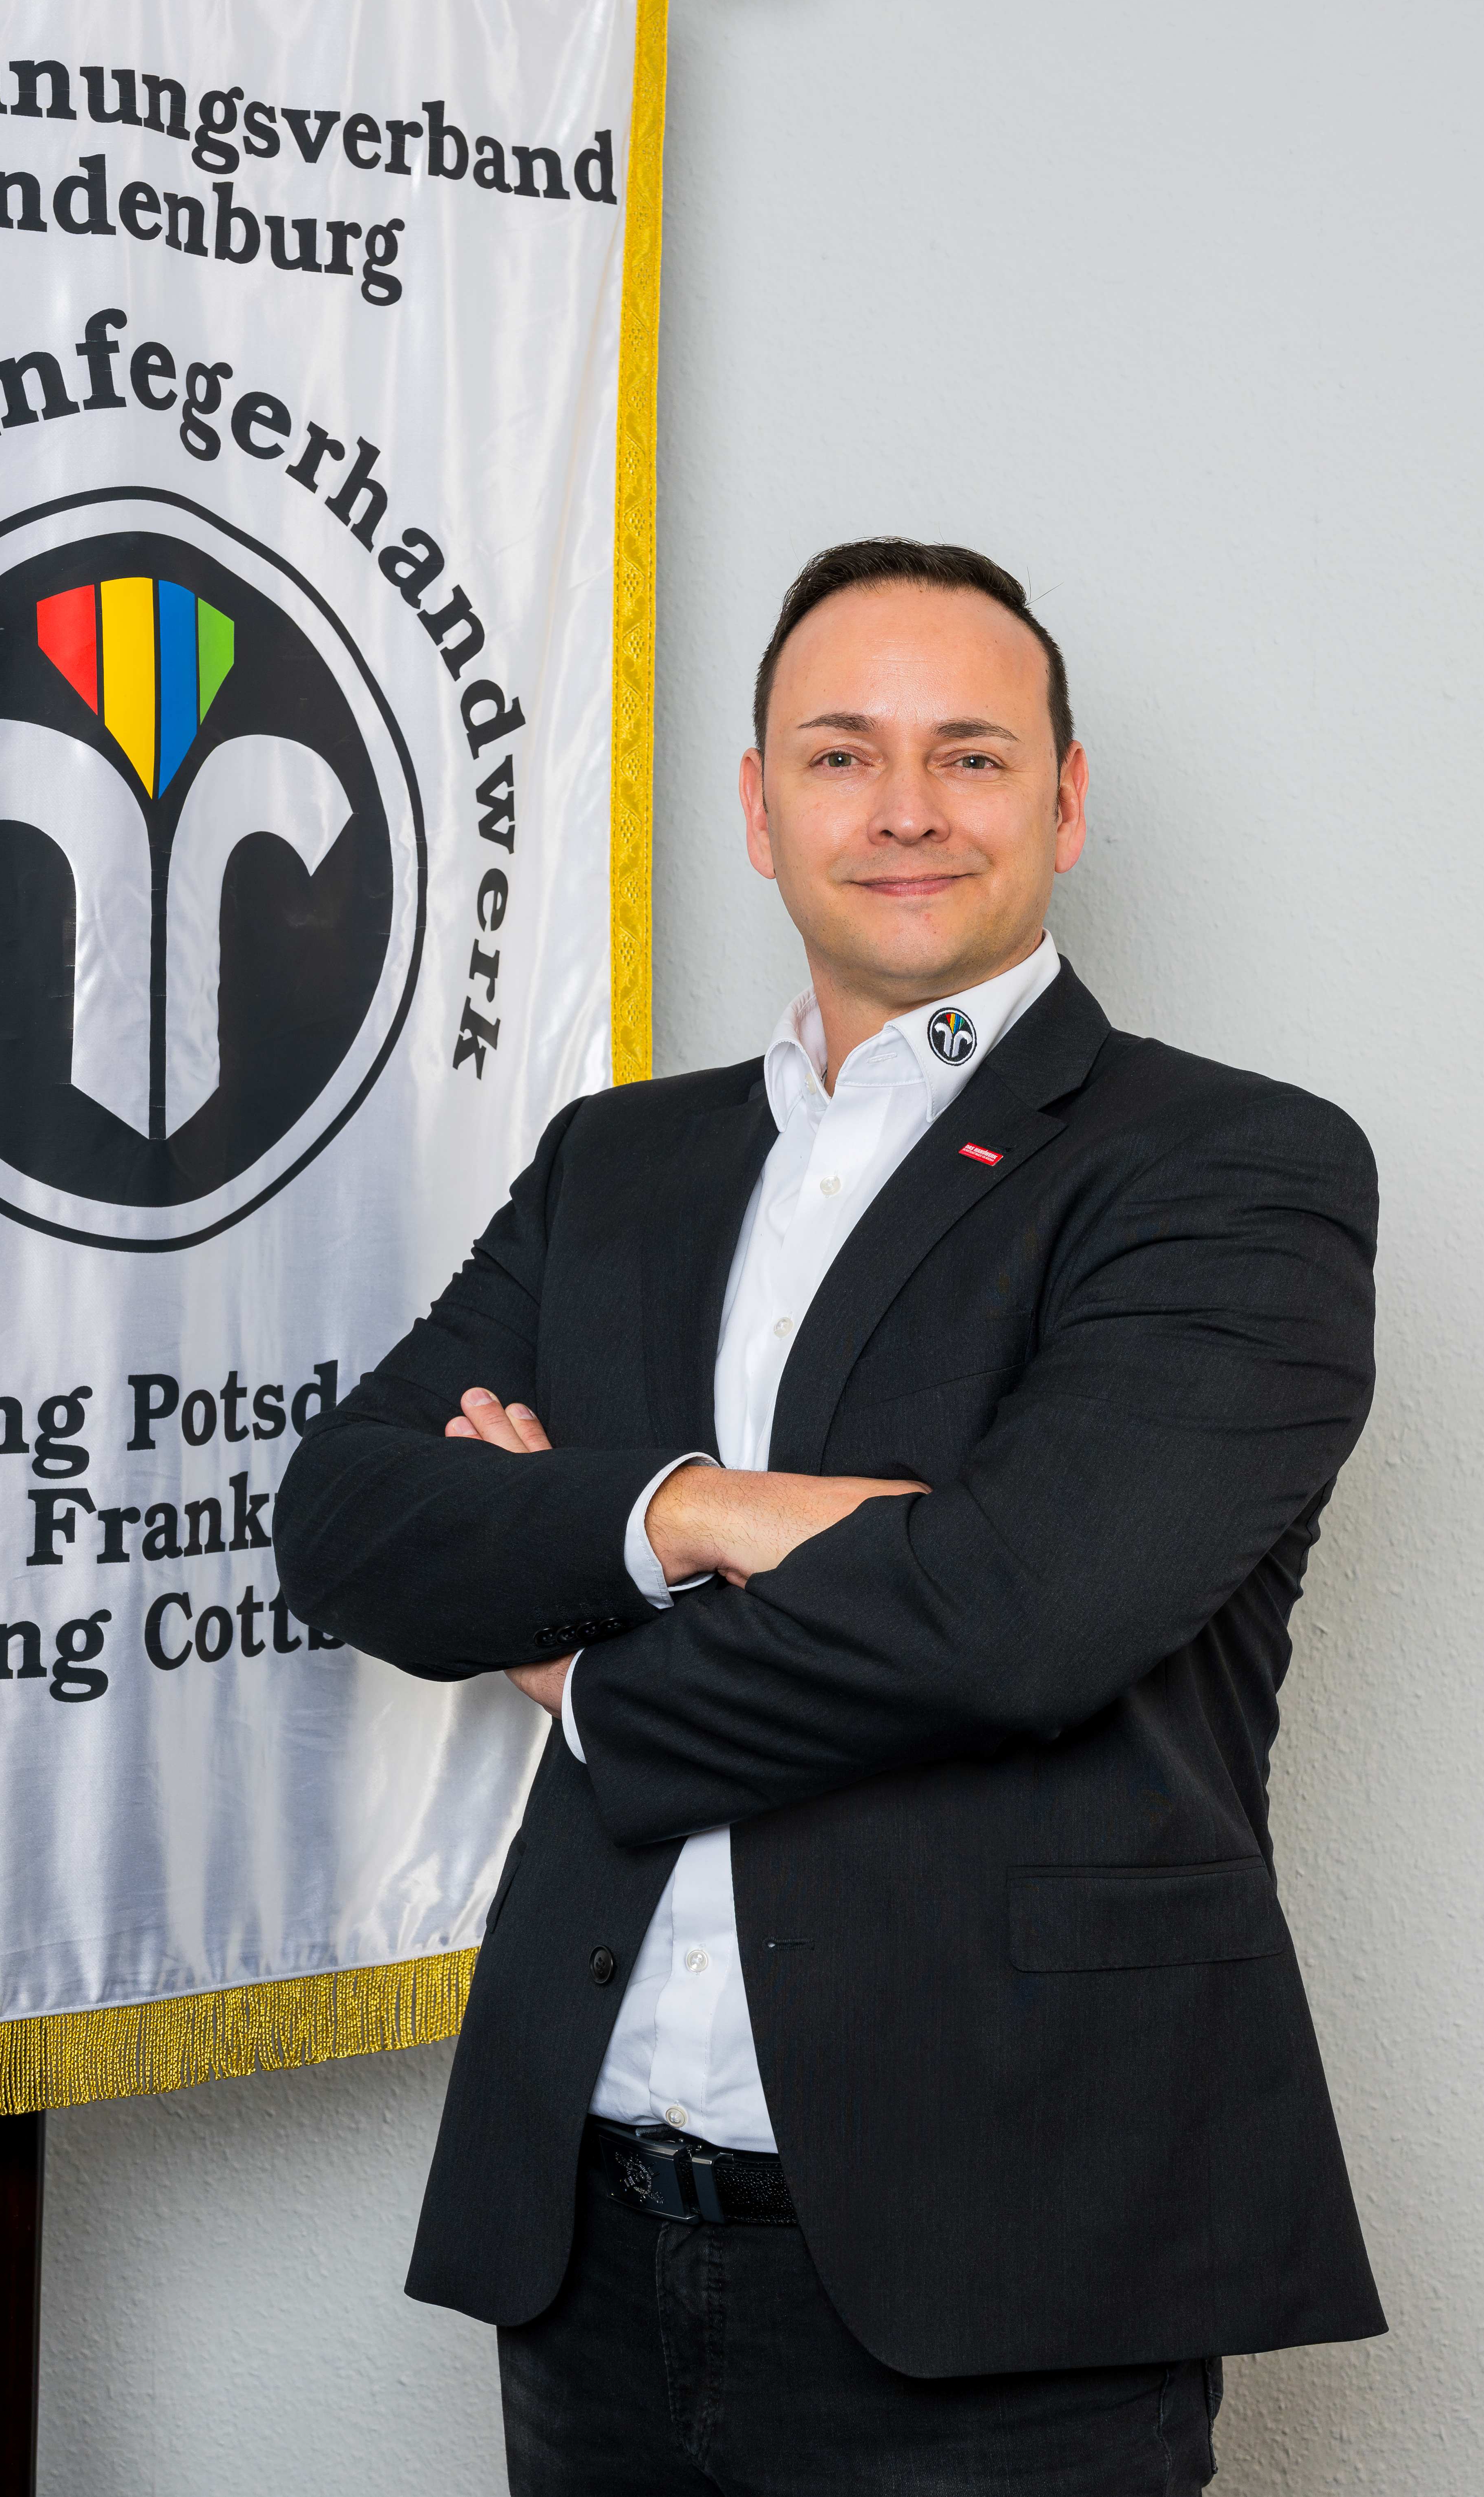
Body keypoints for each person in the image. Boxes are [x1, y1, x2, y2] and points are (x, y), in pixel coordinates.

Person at [273, 538, 1384, 2495]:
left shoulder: (1231, 1167)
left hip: (1017, 2254)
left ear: (1066, 799)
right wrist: (707, 1511)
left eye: (972, 754)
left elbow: (1024, 1617)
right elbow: (351, 1521)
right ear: (759, 805)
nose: (905, 808)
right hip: (590, 2235)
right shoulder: (618, 1161)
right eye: (842, 753)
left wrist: (587, 1667)